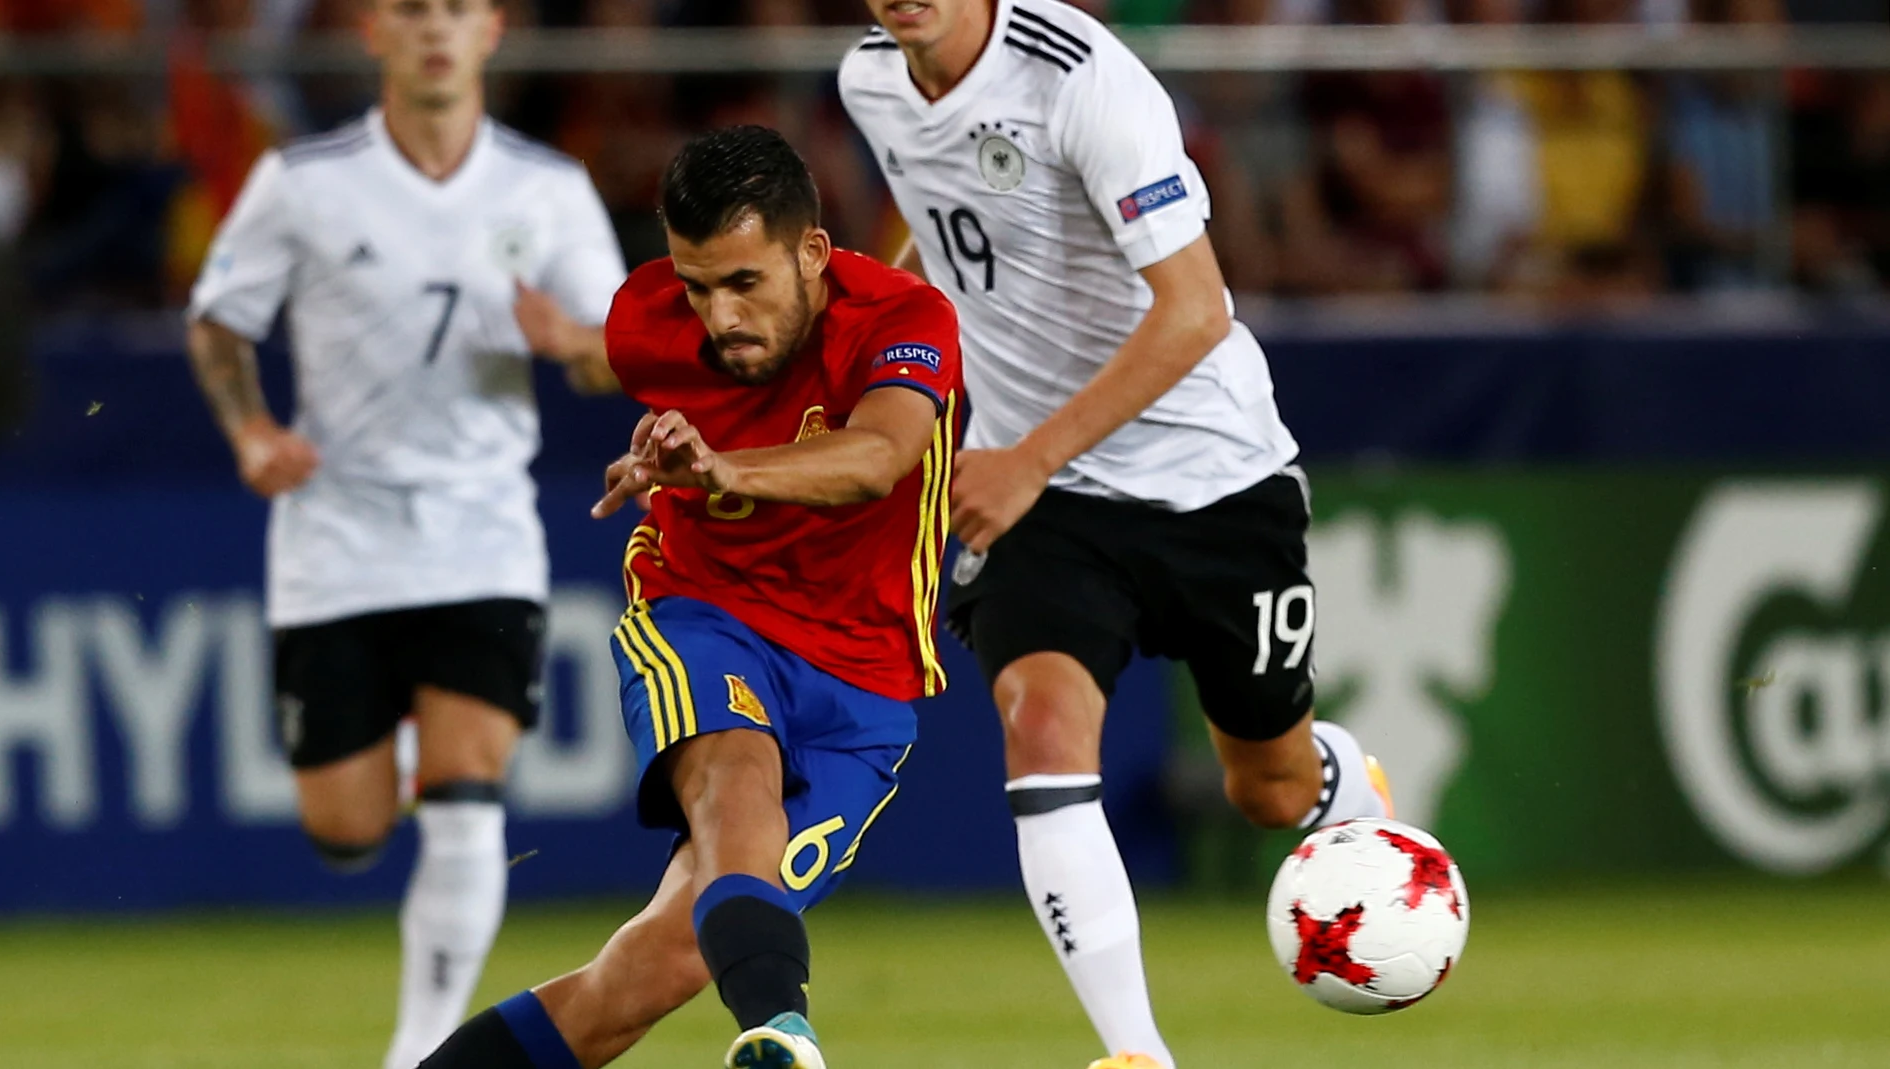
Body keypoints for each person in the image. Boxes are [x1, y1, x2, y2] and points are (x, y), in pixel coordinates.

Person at [840, 3, 1394, 1066]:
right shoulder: (870, 80)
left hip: (1211, 477)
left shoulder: (1085, 80)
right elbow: (916, 213)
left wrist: (1027, 458)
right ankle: (1136, 1052)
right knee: (1039, 723)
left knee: (1265, 789)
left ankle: (1335, 774)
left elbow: (1191, 311)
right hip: (1042, 494)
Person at [417, 125, 962, 1069]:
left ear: (813, 253)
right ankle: (782, 1031)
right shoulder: (648, 322)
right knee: (732, 781)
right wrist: (660, 451)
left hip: (866, 684)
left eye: (743, 283)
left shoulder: (906, 321)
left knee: (657, 965)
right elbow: (626, 364)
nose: (718, 317)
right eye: (696, 285)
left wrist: (714, 464)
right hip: (705, 611)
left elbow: (879, 458)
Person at [183, 2, 626, 1067]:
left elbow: (625, 345)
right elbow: (218, 317)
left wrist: (571, 337)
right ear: (376, 33)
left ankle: (418, 1052)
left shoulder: (546, 188)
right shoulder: (305, 181)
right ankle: (407, 771)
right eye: (414, 10)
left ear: (494, 33)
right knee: (347, 827)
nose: (436, 30)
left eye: (458, 10)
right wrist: (250, 432)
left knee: (469, 789)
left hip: (480, 530)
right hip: (336, 535)